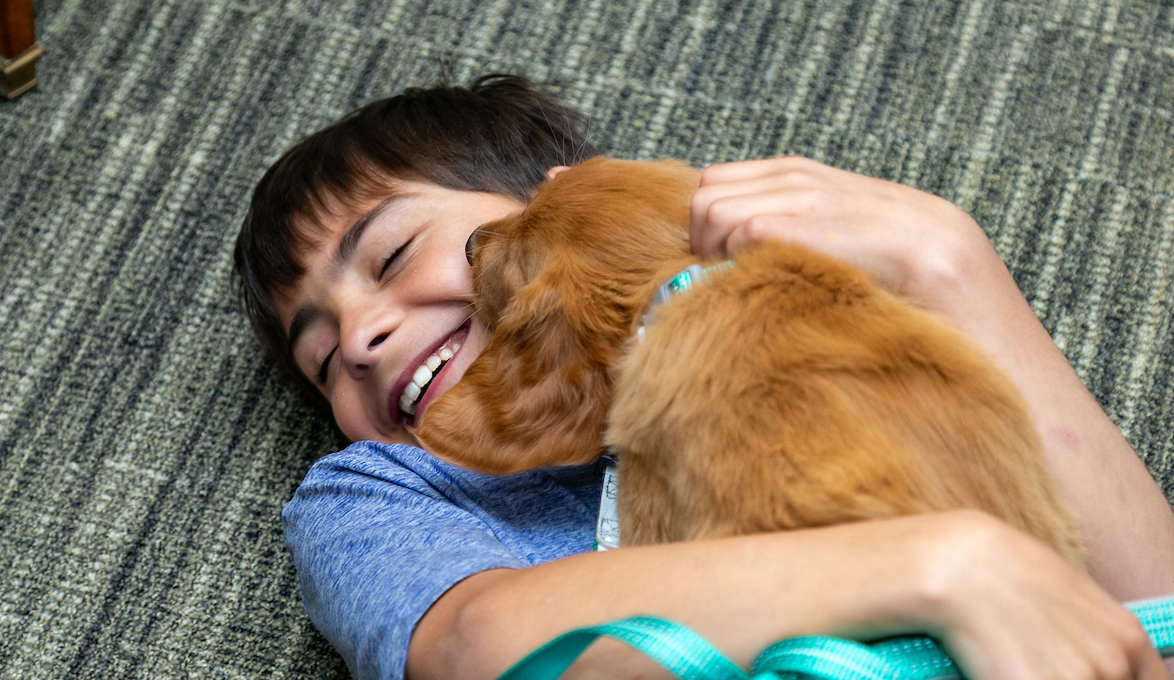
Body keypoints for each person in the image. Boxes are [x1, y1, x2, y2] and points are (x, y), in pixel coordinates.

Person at [233, 74, 1174, 680]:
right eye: (322, 361)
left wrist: (955, 270)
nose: (359, 337)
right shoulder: (379, 491)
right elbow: (478, 648)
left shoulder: (811, 317)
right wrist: (942, 568)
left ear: (565, 197)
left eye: (394, 255)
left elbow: (1152, 620)